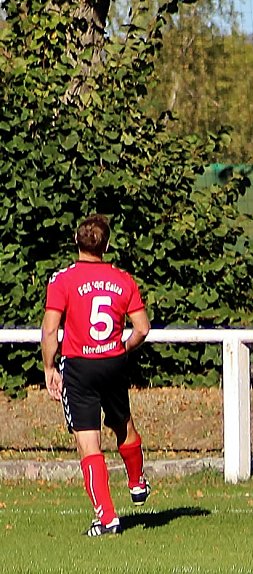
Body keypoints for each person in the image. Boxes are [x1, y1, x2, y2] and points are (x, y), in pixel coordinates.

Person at [41, 214, 152, 537]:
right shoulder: (123, 279)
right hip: (113, 362)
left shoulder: (62, 279)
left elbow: (50, 329)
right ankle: (136, 482)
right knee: (124, 424)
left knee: (88, 444)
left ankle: (106, 517)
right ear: (106, 245)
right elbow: (142, 328)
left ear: (77, 242)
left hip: (79, 368)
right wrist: (124, 347)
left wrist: (49, 367)